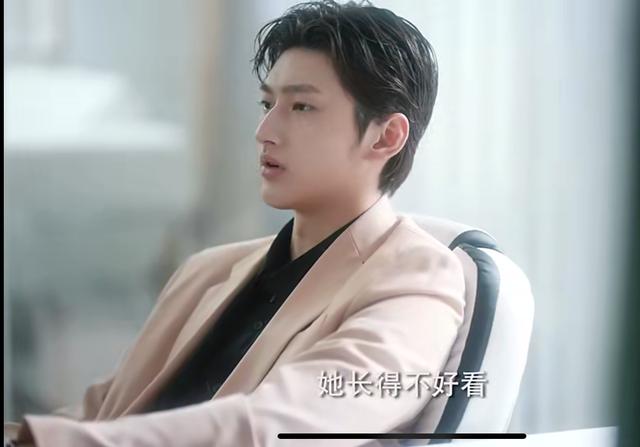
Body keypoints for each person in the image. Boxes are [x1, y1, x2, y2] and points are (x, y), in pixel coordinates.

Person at [4, 1, 465, 445]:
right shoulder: (207, 270)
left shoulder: (415, 278)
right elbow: (101, 413)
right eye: (267, 105)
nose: (265, 132)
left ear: (386, 136)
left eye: (301, 107)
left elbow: (284, 426)